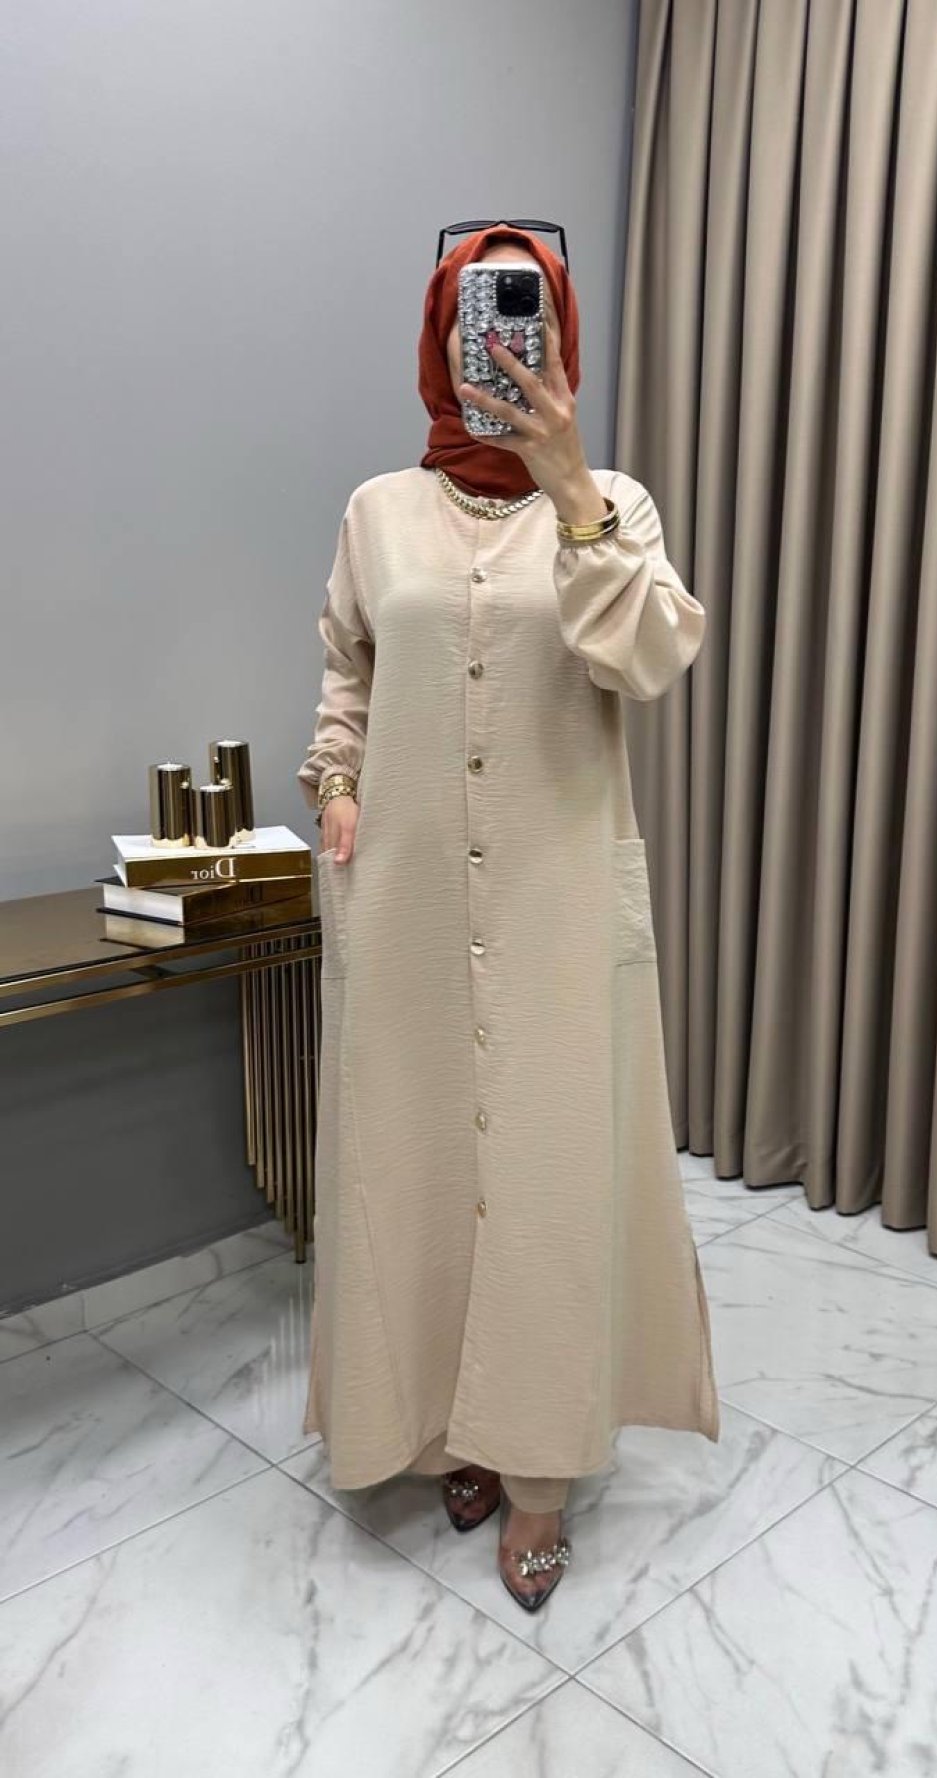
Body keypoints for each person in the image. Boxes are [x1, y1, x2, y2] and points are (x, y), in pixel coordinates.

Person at [297, 222, 720, 1612]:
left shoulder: (615, 504)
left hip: (554, 898)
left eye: (524, 320)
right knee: (420, 1163)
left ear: (561, 340)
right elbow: (349, 670)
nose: (498, 349)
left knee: (548, 1180)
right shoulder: (377, 511)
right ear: (441, 341)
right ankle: (448, 1426)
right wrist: (336, 780)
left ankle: (538, 1466)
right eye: (476, 323)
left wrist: (570, 485)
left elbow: (646, 655)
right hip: (408, 893)